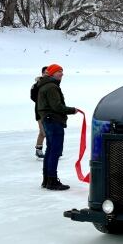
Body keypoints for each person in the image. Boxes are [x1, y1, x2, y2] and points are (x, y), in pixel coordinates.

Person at [36, 63, 78, 191]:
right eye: (59, 71)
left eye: (62, 71)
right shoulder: (51, 87)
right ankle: (52, 180)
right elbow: (57, 106)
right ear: (52, 73)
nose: (61, 74)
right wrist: (72, 110)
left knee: (50, 150)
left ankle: (47, 179)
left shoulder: (46, 85)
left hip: (48, 120)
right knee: (54, 151)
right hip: (53, 121)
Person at [30, 66, 48, 159]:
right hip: (40, 111)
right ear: (42, 73)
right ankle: (38, 150)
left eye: (48, 72)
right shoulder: (37, 85)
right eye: (45, 72)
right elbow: (33, 97)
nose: (47, 73)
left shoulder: (52, 83)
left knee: (50, 131)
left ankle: (53, 150)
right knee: (43, 131)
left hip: (50, 111)